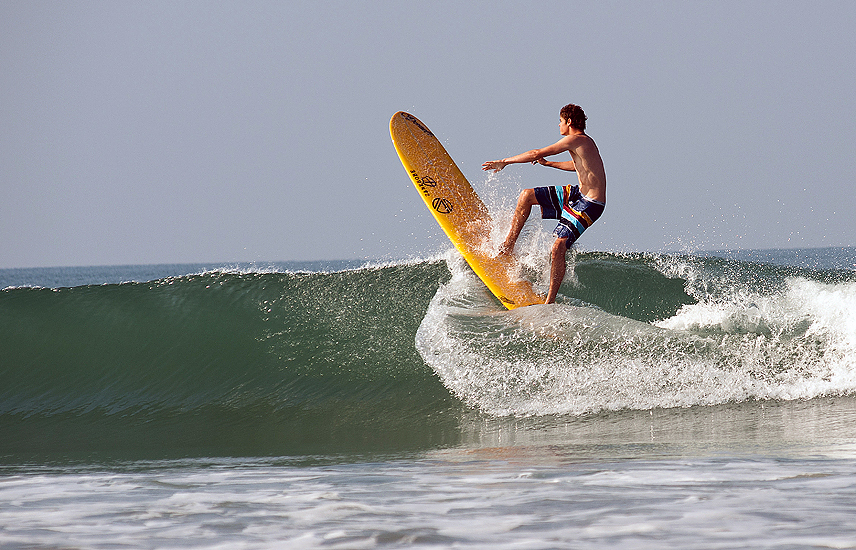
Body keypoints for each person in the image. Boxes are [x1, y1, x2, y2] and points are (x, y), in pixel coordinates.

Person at [482, 104, 606, 304]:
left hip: (591, 203)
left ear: (569, 122)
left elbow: (535, 152)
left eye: (560, 121)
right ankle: (507, 248)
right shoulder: (580, 143)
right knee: (526, 196)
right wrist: (548, 164)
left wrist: (504, 161)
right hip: (578, 193)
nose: (558, 125)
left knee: (558, 247)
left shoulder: (576, 139)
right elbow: (576, 166)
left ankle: (550, 301)